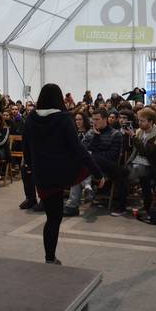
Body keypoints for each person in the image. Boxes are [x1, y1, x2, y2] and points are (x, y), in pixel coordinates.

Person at [24, 83, 104, 265]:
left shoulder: (30, 119)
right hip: (60, 173)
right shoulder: (63, 119)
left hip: (41, 174)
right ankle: (50, 258)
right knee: (55, 218)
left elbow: (26, 148)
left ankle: (49, 258)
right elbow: (78, 148)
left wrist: (30, 166)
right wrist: (97, 172)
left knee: (51, 218)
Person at [83, 109, 127, 215]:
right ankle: (74, 203)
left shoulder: (115, 134)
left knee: (89, 157)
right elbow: (85, 149)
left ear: (105, 119)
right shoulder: (90, 133)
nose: (94, 122)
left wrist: (93, 155)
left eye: (97, 119)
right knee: (82, 161)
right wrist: (96, 137)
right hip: (91, 165)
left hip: (107, 165)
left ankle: (87, 188)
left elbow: (112, 156)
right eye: (93, 119)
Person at [125, 108, 156, 215]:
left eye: (142, 121)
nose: (139, 123)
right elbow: (130, 148)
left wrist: (133, 136)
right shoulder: (139, 132)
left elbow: (146, 152)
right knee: (122, 172)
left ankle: (148, 207)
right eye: (139, 120)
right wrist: (128, 136)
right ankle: (121, 204)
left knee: (141, 175)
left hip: (150, 165)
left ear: (150, 122)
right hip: (136, 162)